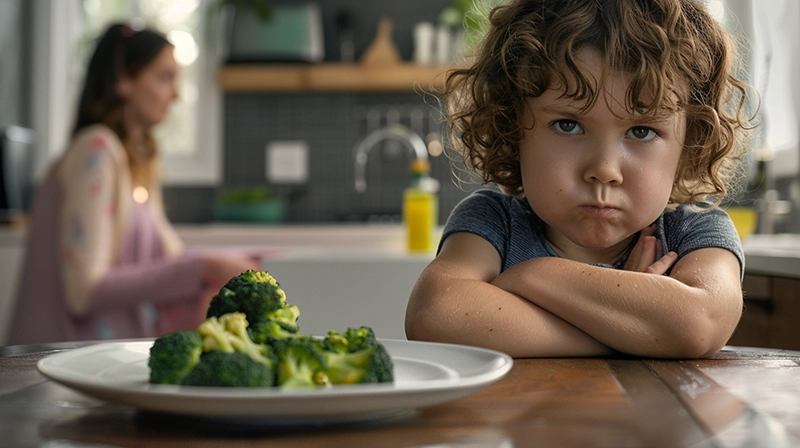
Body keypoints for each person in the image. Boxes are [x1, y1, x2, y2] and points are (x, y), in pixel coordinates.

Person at [405, 0, 754, 359]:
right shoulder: (494, 222)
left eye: (641, 130)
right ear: (512, 129)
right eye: (568, 125)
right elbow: (434, 314)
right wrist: (633, 331)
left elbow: (700, 324)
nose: (604, 169)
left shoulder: (694, 229)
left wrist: (534, 275)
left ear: (689, 141)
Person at [7, 23, 259, 345]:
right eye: (164, 77)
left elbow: (170, 256)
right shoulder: (96, 151)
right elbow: (83, 293)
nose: (176, 94)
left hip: (94, 360)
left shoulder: (135, 164)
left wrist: (217, 265)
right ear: (124, 80)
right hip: (56, 366)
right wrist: (202, 267)